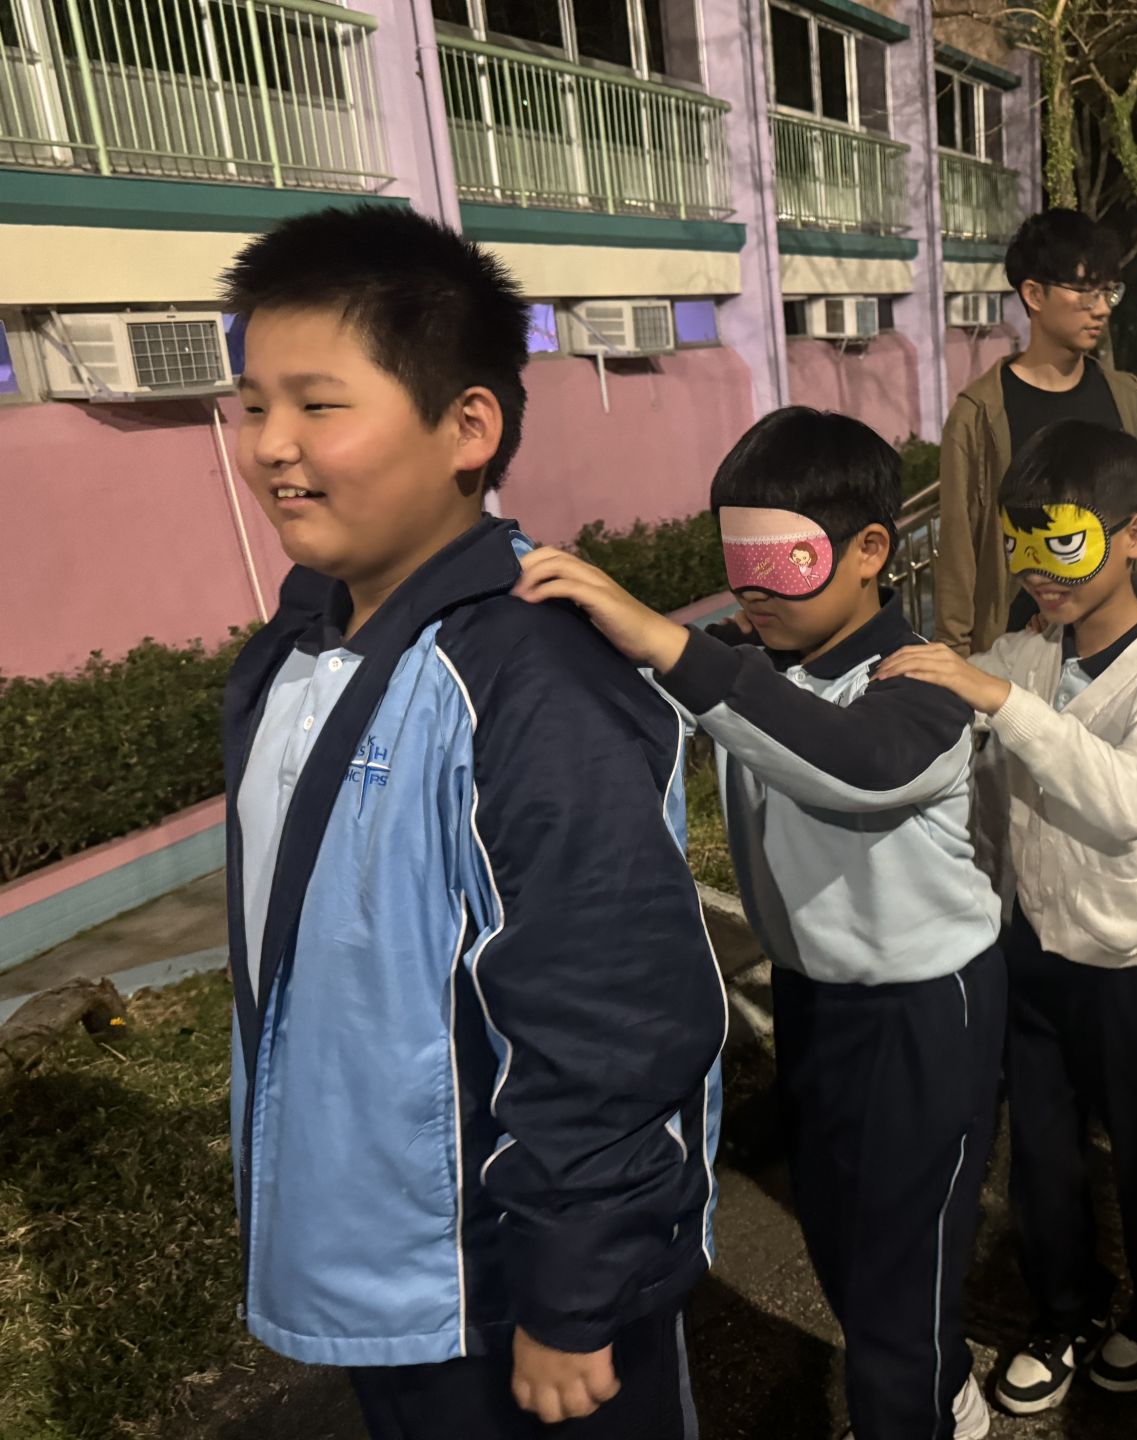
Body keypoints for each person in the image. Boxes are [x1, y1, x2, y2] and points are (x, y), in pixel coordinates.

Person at [218, 204, 724, 1440]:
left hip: (505, 1296)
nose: (271, 445)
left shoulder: (530, 676)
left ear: (468, 427)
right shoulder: (298, 649)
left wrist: (575, 1291)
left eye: (319, 404)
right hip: (380, 1272)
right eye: (251, 402)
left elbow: (609, 1003)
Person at [514, 407, 1006, 1440]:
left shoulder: (920, 683)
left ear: (871, 551)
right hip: (813, 998)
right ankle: (939, 1382)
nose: (754, 591)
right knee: (841, 1238)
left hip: (923, 1013)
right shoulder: (759, 661)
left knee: (899, 1272)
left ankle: (917, 1409)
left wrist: (667, 643)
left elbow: (856, 768)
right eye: (738, 562)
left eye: (784, 562)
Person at [877, 420, 1137, 1414]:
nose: (1034, 566)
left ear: (1135, 534)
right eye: (1019, 541)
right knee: (1043, 1155)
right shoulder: (1026, 650)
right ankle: (1065, 1307)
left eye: (1060, 541)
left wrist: (998, 699)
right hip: (1031, 944)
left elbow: (1132, 800)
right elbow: (966, 742)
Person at [934, 209, 1137, 656]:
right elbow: (958, 547)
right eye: (1085, 293)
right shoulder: (980, 414)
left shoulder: (1128, 398)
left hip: (1117, 645)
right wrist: (956, 654)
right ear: (1034, 294)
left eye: (1108, 292)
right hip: (1015, 646)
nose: (1102, 308)